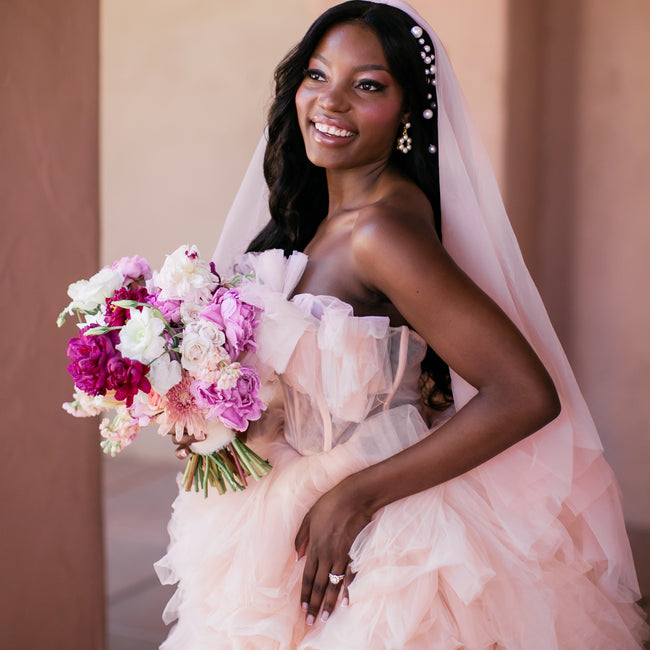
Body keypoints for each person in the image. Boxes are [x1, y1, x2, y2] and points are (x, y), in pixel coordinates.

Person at [155, 1, 649, 647]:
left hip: (384, 524)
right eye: (316, 75)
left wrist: (357, 497)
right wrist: (214, 422)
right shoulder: (317, 220)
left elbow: (525, 393)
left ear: (411, 109)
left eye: (367, 85)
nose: (330, 102)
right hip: (283, 501)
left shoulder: (382, 231)